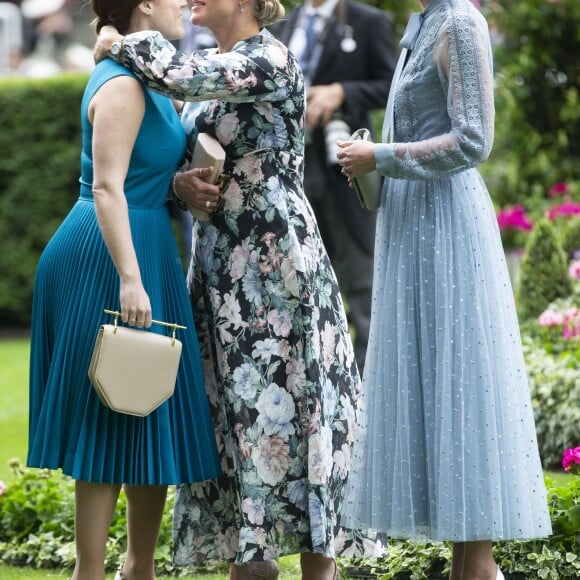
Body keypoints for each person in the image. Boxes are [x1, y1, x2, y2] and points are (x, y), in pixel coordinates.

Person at [93, 0, 383, 578]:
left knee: (298, 405)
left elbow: (175, 73)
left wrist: (112, 35)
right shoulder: (214, 60)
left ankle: (317, 569)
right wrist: (181, 184)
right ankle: (250, 560)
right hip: (221, 269)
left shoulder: (270, 59)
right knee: (234, 408)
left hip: (278, 268)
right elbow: (178, 154)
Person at [336, 0, 552, 579]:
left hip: (448, 228)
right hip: (411, 227)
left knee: (461, 384)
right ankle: (469, 570)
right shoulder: (423, 21)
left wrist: (380, 156)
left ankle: (480, 570)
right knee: (434, 391)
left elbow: (474, 140)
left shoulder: (460, 21)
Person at [26, 1, 221, 579]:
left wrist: (178, 186)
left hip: (146, 242)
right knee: (106, 404)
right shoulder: (123, 86)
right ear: (144, 5)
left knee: (146, 401)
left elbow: (141, 175)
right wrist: (131, 279)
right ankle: (91, 573)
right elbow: (108, 189)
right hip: (107, 253)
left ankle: (139, 569)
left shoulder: (150, 74)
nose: (186, 4)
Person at [270, 0, 397, 373]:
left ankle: (371, 374)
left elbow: (392, 85)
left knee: (359, 269)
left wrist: (341, 92)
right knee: (298, 270)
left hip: (343, 166)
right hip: (289, 170)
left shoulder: (367, 21)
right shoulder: (283, 23)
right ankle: (312, 368)